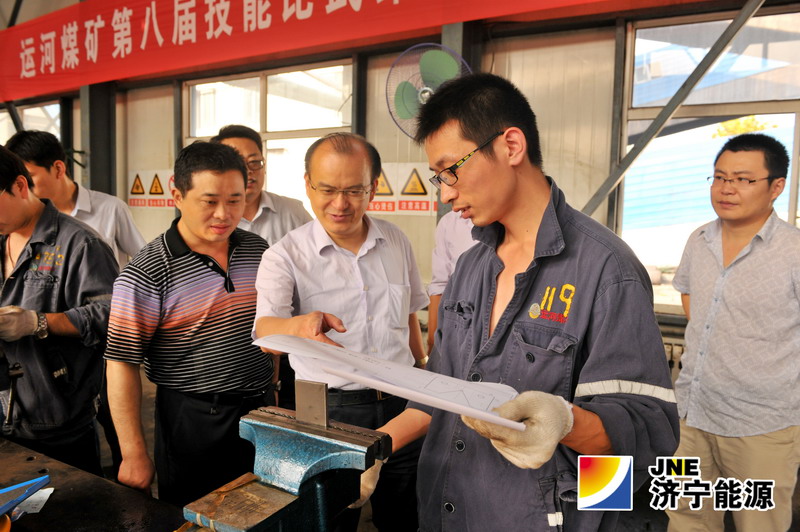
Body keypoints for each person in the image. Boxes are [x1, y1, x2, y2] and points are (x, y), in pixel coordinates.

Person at [366, 73, 679, 531]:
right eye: (438, 178)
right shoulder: (471, 267)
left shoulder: (607, 271)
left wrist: (565, 422)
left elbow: (646, 433)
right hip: (448, 508)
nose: (446, 193)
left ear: (511, 146)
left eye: (452, 170)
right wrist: (370, 450)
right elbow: (441, 392)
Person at [254, 132, 428, 532]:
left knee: (405, 515)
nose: (340, 203)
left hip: (404, 405)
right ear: (307, 185)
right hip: (333, 412)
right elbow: (264, 331)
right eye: (328, 190)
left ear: (373, 187)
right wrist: (299, 325)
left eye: (353, 190)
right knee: (334, 518)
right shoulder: (285, 256)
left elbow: (409, 316)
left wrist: (421, 368)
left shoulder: (396, 241)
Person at [104, 142, 274, 507]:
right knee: (199, 517)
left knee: (264, 511)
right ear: (178, 195)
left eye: (235, 200)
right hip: (193, 420)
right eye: (209, 201)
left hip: (262, 411)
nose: (223, 214)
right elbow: (121, 364)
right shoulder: (147, 273)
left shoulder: (257, 250)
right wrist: (133, 453)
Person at [666, 133, 800, 532]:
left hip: (761, 425)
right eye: (720, 177)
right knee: (684, 518)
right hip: (691, 414)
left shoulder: (794, 251)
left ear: (776, 186)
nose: (727, 189)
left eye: (743, 179)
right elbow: (690, 296)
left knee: (759, 525)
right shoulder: (699, 240)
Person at [0, 145, 118, 475]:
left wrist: (38, 322)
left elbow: (113, 316)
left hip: (58, 423)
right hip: (6, 414)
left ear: (19, 186)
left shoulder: (80, 244)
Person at [210, 124, 312, 408]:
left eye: (255, 162)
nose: (249, 171)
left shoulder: (293, 212)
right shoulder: (212, 221)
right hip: (231, 346)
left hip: (289, 341)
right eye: (237, 163)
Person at [6, 130, 146, 268]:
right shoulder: (23, 222)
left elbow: (147, 263)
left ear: (58, 169)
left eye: (29, 177)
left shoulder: (111, 209)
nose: (21, 187)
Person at [426, 209, 476, 354]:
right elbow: (439, 285)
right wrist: (433, 345)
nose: (446, 198)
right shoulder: (450, 223)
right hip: (460, 334)